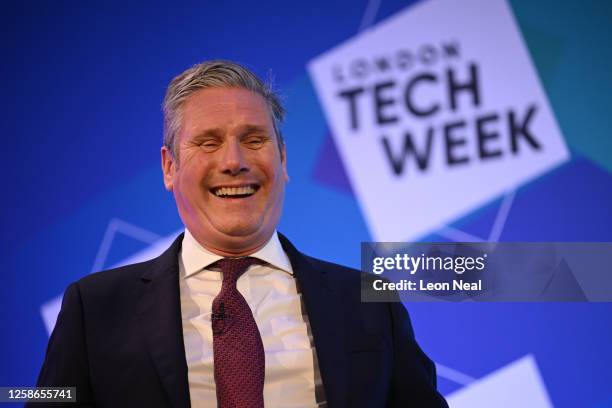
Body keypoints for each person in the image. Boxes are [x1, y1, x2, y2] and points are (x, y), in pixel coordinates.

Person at [31, 60, 448, 407]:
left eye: (253, 139)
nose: (234, 161)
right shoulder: (95, 307)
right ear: (169, 168)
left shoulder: (368, 300)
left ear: (282, 159)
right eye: (208, 143)